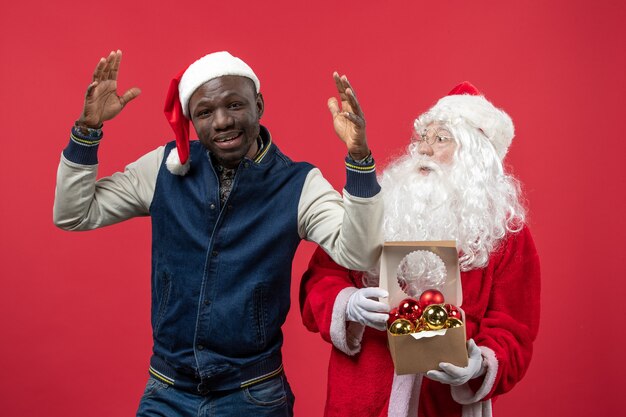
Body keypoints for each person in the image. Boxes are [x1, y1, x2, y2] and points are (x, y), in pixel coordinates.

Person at [53, 50, 383, 416]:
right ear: (192, 120)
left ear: (258, 104)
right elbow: (73, 214)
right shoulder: (164, 170)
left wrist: (359, 158)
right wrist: (87, 131)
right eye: (205, 112)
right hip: (166, 391)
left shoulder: (298, 184)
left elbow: (359, 254)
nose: (222, 121)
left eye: (235, 105)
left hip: (253, 395)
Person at [300, 82, 540, 417]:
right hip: (359, 403)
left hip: (442, 407)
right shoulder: (375, 203)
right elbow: (320, 278)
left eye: (440, 138)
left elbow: (514, 330)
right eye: (422, 138)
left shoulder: (506, 231)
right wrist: (347, 304)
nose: (423, 150)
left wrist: (478, 363)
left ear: (476, 157)